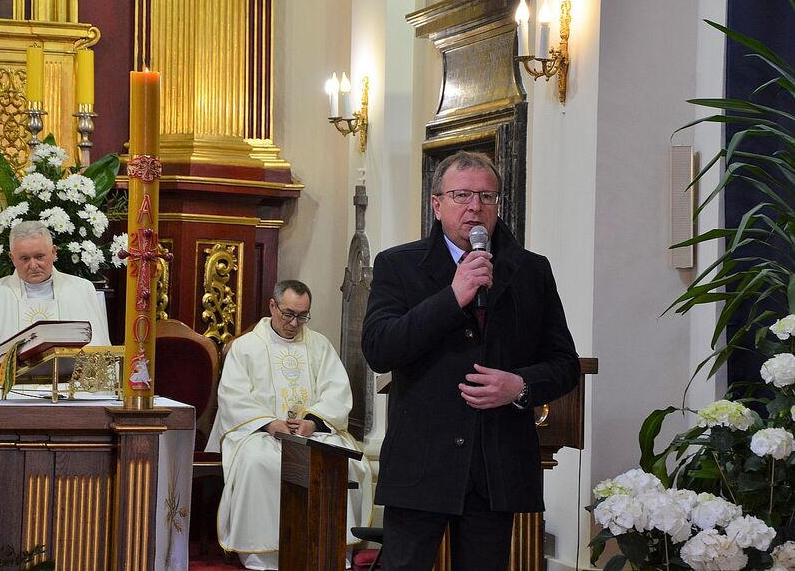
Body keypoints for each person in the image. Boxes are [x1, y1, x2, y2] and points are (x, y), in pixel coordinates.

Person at [362, 151, 580, 570]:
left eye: (486, 196)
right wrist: (453, 296)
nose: (474, 206)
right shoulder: (399, 265)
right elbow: (379, 349)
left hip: (494, 465)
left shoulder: (531, 270)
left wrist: (519, 386)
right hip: (421, 463)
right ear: (436, 203)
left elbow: (564, 363)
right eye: (461, 194)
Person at [206, 280, 373, 570]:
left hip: (311, 434)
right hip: (260, 433)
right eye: (288, 314)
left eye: (303, 315)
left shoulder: (319, 346)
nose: (295, 323)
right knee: (259, 462)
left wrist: (313, 421)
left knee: (338, 460)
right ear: (273, 305)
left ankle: (331, 547)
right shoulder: (245, 348)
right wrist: (270, 423)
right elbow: (233, 396)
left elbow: (336, 391)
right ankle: (262, 552)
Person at [0, 220, 111, 395]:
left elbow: (98, 350)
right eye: (24, 258)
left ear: (53, 252)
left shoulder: (81, 289)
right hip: (5, 395)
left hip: (70, 393)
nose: (33, 265)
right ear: (12, 258)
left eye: (39, 256)